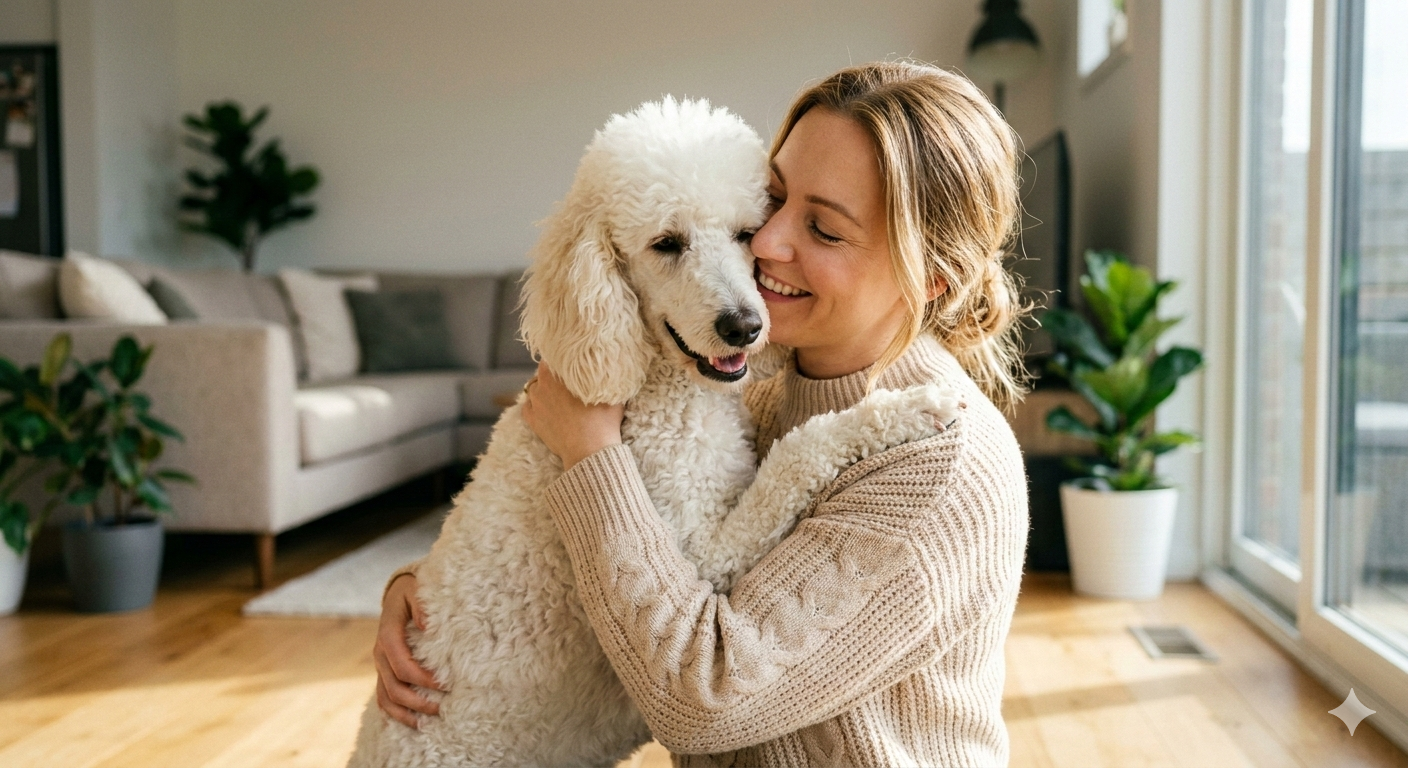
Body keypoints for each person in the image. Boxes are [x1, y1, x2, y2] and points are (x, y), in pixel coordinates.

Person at [374, 61, 1030, 766]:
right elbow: (614, 559)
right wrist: (423, 592)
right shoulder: (736, 377)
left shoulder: (937, 464)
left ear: (929, 276)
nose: (769, 243)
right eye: (773, 199)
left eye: (825, 229)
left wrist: (592, 457)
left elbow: (703, 702)